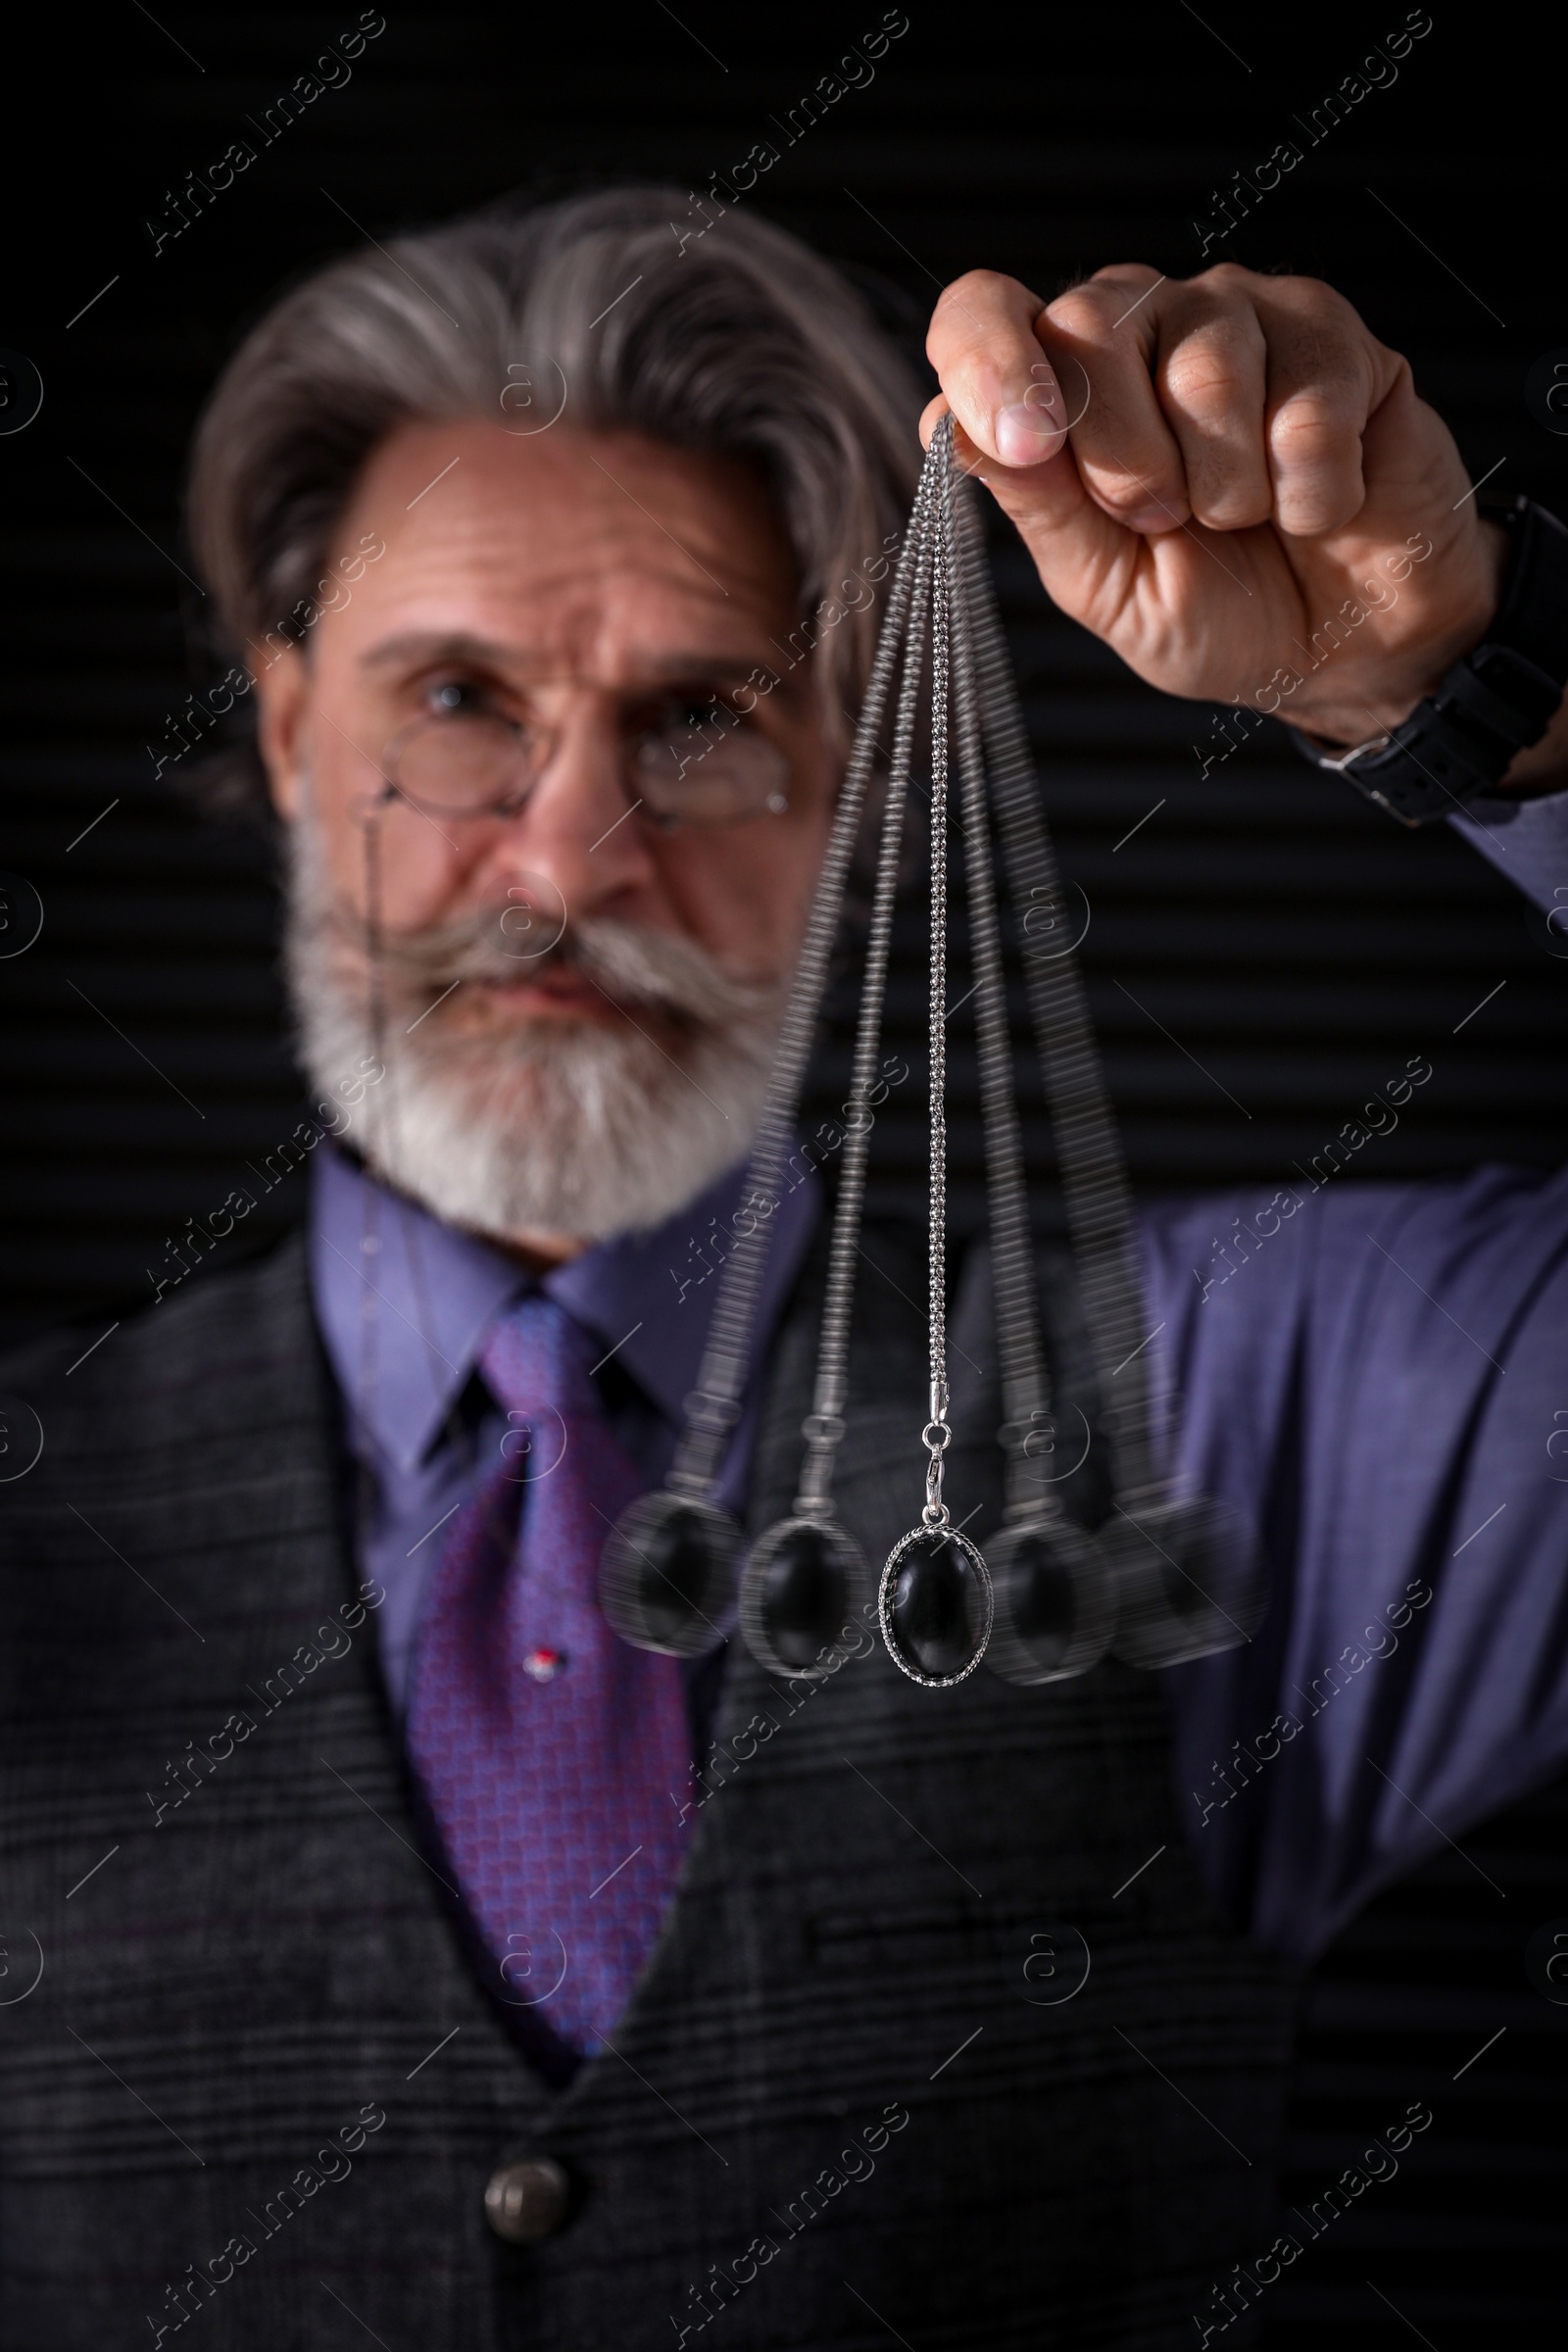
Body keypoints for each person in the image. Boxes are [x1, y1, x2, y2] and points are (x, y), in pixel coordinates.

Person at [2, 187, 1565, 2352]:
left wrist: (1452, 698)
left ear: (844, 777)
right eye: (457, 698)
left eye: (701, 719)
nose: (565, 858)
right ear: (287, 742)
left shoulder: (1220, 1412)